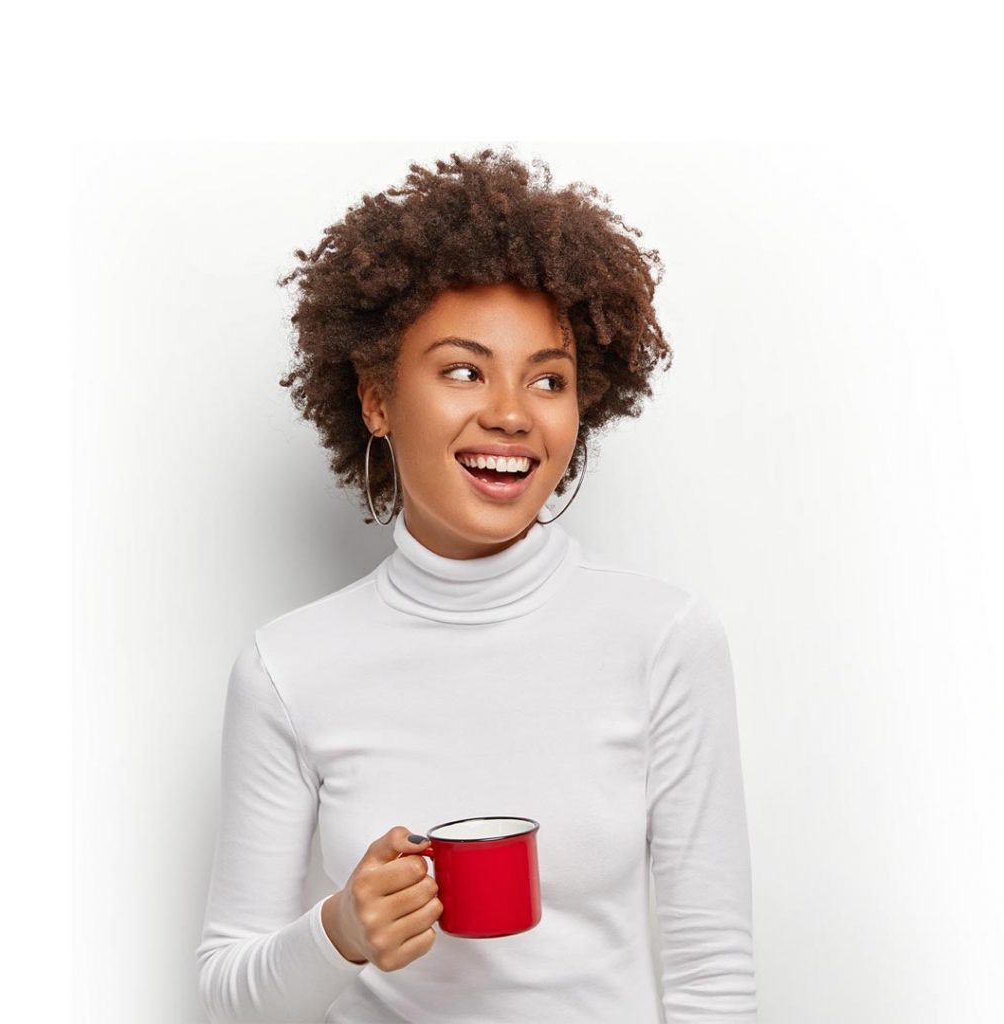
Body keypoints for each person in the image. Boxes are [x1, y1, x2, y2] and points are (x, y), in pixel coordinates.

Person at [195, 147, 758, 1023]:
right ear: (377, 399)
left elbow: (713, 977)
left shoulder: (663, 638)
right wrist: (340, 929)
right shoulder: (287, 667)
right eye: (463, 369)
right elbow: (232, 990)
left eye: (549, 378)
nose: (511, 411)